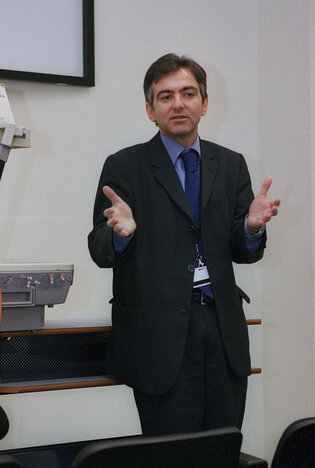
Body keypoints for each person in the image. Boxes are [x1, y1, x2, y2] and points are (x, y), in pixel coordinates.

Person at [88, 53, 280, 436]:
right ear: (150, 110)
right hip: (158, 336)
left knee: (221, 454)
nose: (178, 103)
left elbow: (243, 251)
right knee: (171, 467)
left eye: (188, 93)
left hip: (221, 328)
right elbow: (99, 248)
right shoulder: (125, 166)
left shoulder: (230, 165)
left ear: (204, 104)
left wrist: (251, 228)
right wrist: (120, 234)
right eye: (165, 96)